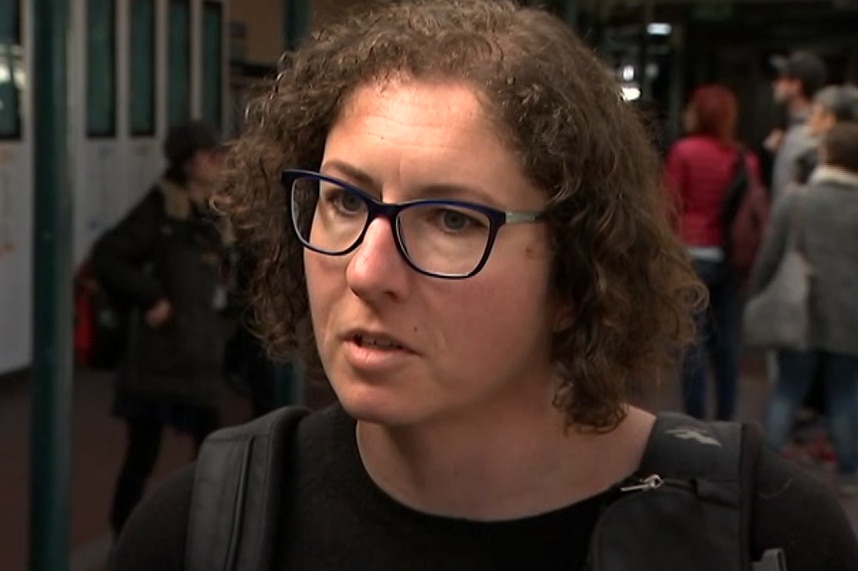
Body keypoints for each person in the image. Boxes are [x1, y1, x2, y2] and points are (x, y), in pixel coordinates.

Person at [108, 2, 858, 570]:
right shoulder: (206, 529)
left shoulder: (767, 533)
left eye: (452, 219)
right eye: (343, 200)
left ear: (575, 268)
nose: (368, 271)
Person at [91, 120, 231, 537]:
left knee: (214, 450)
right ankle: (123, 537)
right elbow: (108, 256)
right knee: (143, 454)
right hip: (159, 359)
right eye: (211, 156)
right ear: (189, 163)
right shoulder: (159, 209)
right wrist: (152, 297)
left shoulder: (211, 211)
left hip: (199, 354)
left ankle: (207, 536)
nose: (219, 164)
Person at [753, 121, 858, 495]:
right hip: (850, 316)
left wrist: (757, 293)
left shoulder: (797, 200)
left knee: (788, 389)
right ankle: (850, 473)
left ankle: (768, 466)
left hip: (801, 311)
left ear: (826, 155)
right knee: (845, 392)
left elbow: (770, 256)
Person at [663, 84, 764, 421]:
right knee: (728, 344)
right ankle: (726, 418)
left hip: (691, 254)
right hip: (730, 257)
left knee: (692, 342)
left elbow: (670, 203)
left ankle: (695, 420)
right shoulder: (744, 158)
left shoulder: (684, 151)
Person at [767, 50, 827, 199]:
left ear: (796, 86)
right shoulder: (790, 128)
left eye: (781, 79)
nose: (775, 84)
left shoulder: (813, 133)